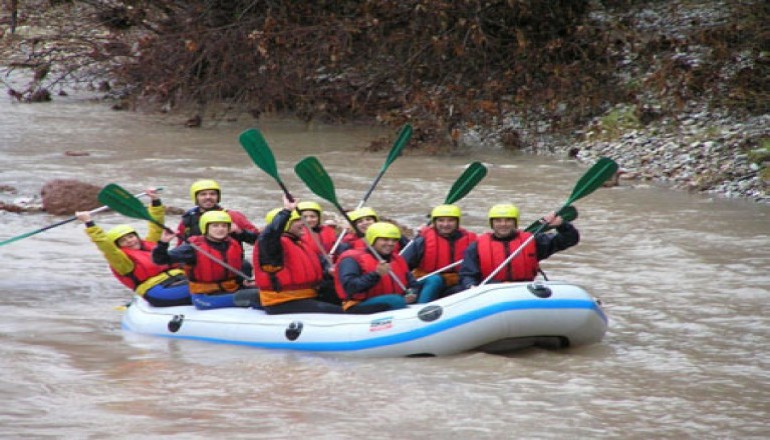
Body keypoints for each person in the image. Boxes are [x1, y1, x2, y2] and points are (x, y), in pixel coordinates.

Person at [76, 188, 192, 307]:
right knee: (205, 288)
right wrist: (89, 222)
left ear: (137, 236)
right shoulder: (122, 261)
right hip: (157, 290)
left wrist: (155, 200)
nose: (129, 241)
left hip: (179, 280)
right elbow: (105, 245)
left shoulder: (151, 245)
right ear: (118, 246)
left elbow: (156, 225)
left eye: (131, 237)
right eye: (123, 241)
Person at [153, 210, 261, 310]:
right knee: (255, 296)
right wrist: (163, 243)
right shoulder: (193, 248)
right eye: (215, 226)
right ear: (205, 227)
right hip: (205, 297)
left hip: (229, 289)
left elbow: (254, 240)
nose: (220, 229)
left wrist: (245, 282)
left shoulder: (232, 243)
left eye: (224, 226)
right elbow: (160, 260)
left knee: (265, 289)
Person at [253, 196, 343, 314]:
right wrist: (287, 211)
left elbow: (315, 264)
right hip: (282, 301)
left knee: (344, 301)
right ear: (285, 225)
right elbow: (271, 233)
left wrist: (329, 269)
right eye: (297, 220)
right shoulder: (271, 246)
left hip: (307, 295)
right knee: (338, 311)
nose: (303, 223)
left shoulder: (299, 243)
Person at [458, 204, 579, 289]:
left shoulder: (532, 241)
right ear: (492, 224)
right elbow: (468, 274)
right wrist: (471, 286)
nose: (503, 224)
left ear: (515, 223)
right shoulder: (476, 246)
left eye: (508, 221)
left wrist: (562, 225)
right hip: (492, 291)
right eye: (498, 221)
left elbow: (569, 240)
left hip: (523, 289)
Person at [334, 221, 421, 314]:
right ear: (372, 240)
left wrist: (412, 293)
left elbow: (412, 284)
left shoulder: (397, 259)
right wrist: (376, 274)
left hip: (391, 301)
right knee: (395, 300)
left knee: (432, 280)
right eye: (385, 239)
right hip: (359, 305)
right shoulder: (351, 259)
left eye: (394, 240)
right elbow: (350, 287)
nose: (391, 243)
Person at [401, 204, 477, 302]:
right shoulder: (422, 240)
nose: (445, 224)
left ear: (457, 222)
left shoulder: (470, 241)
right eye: (441, 220)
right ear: (434, 222)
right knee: (435, 280)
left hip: (455, 283)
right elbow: (403, 267)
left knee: (465, 288)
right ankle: (422, 310)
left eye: (450, 220)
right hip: (425, 282)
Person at [176, 179, 259, 245]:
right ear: (196, 198)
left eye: (212, 194)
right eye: (203, 194)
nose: (208, 197)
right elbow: (179, 246)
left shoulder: (233, 216)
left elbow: (257, 240)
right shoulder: (188, 219)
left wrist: (240, 232)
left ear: (218, 197)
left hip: (228, 262)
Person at [336, 206, 409, 255]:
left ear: (375, 221)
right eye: (360, 221)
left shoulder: (393, 235)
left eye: (368, 219)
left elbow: (409, 250)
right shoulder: (347, 244)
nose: (365, 223)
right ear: (354, 226)